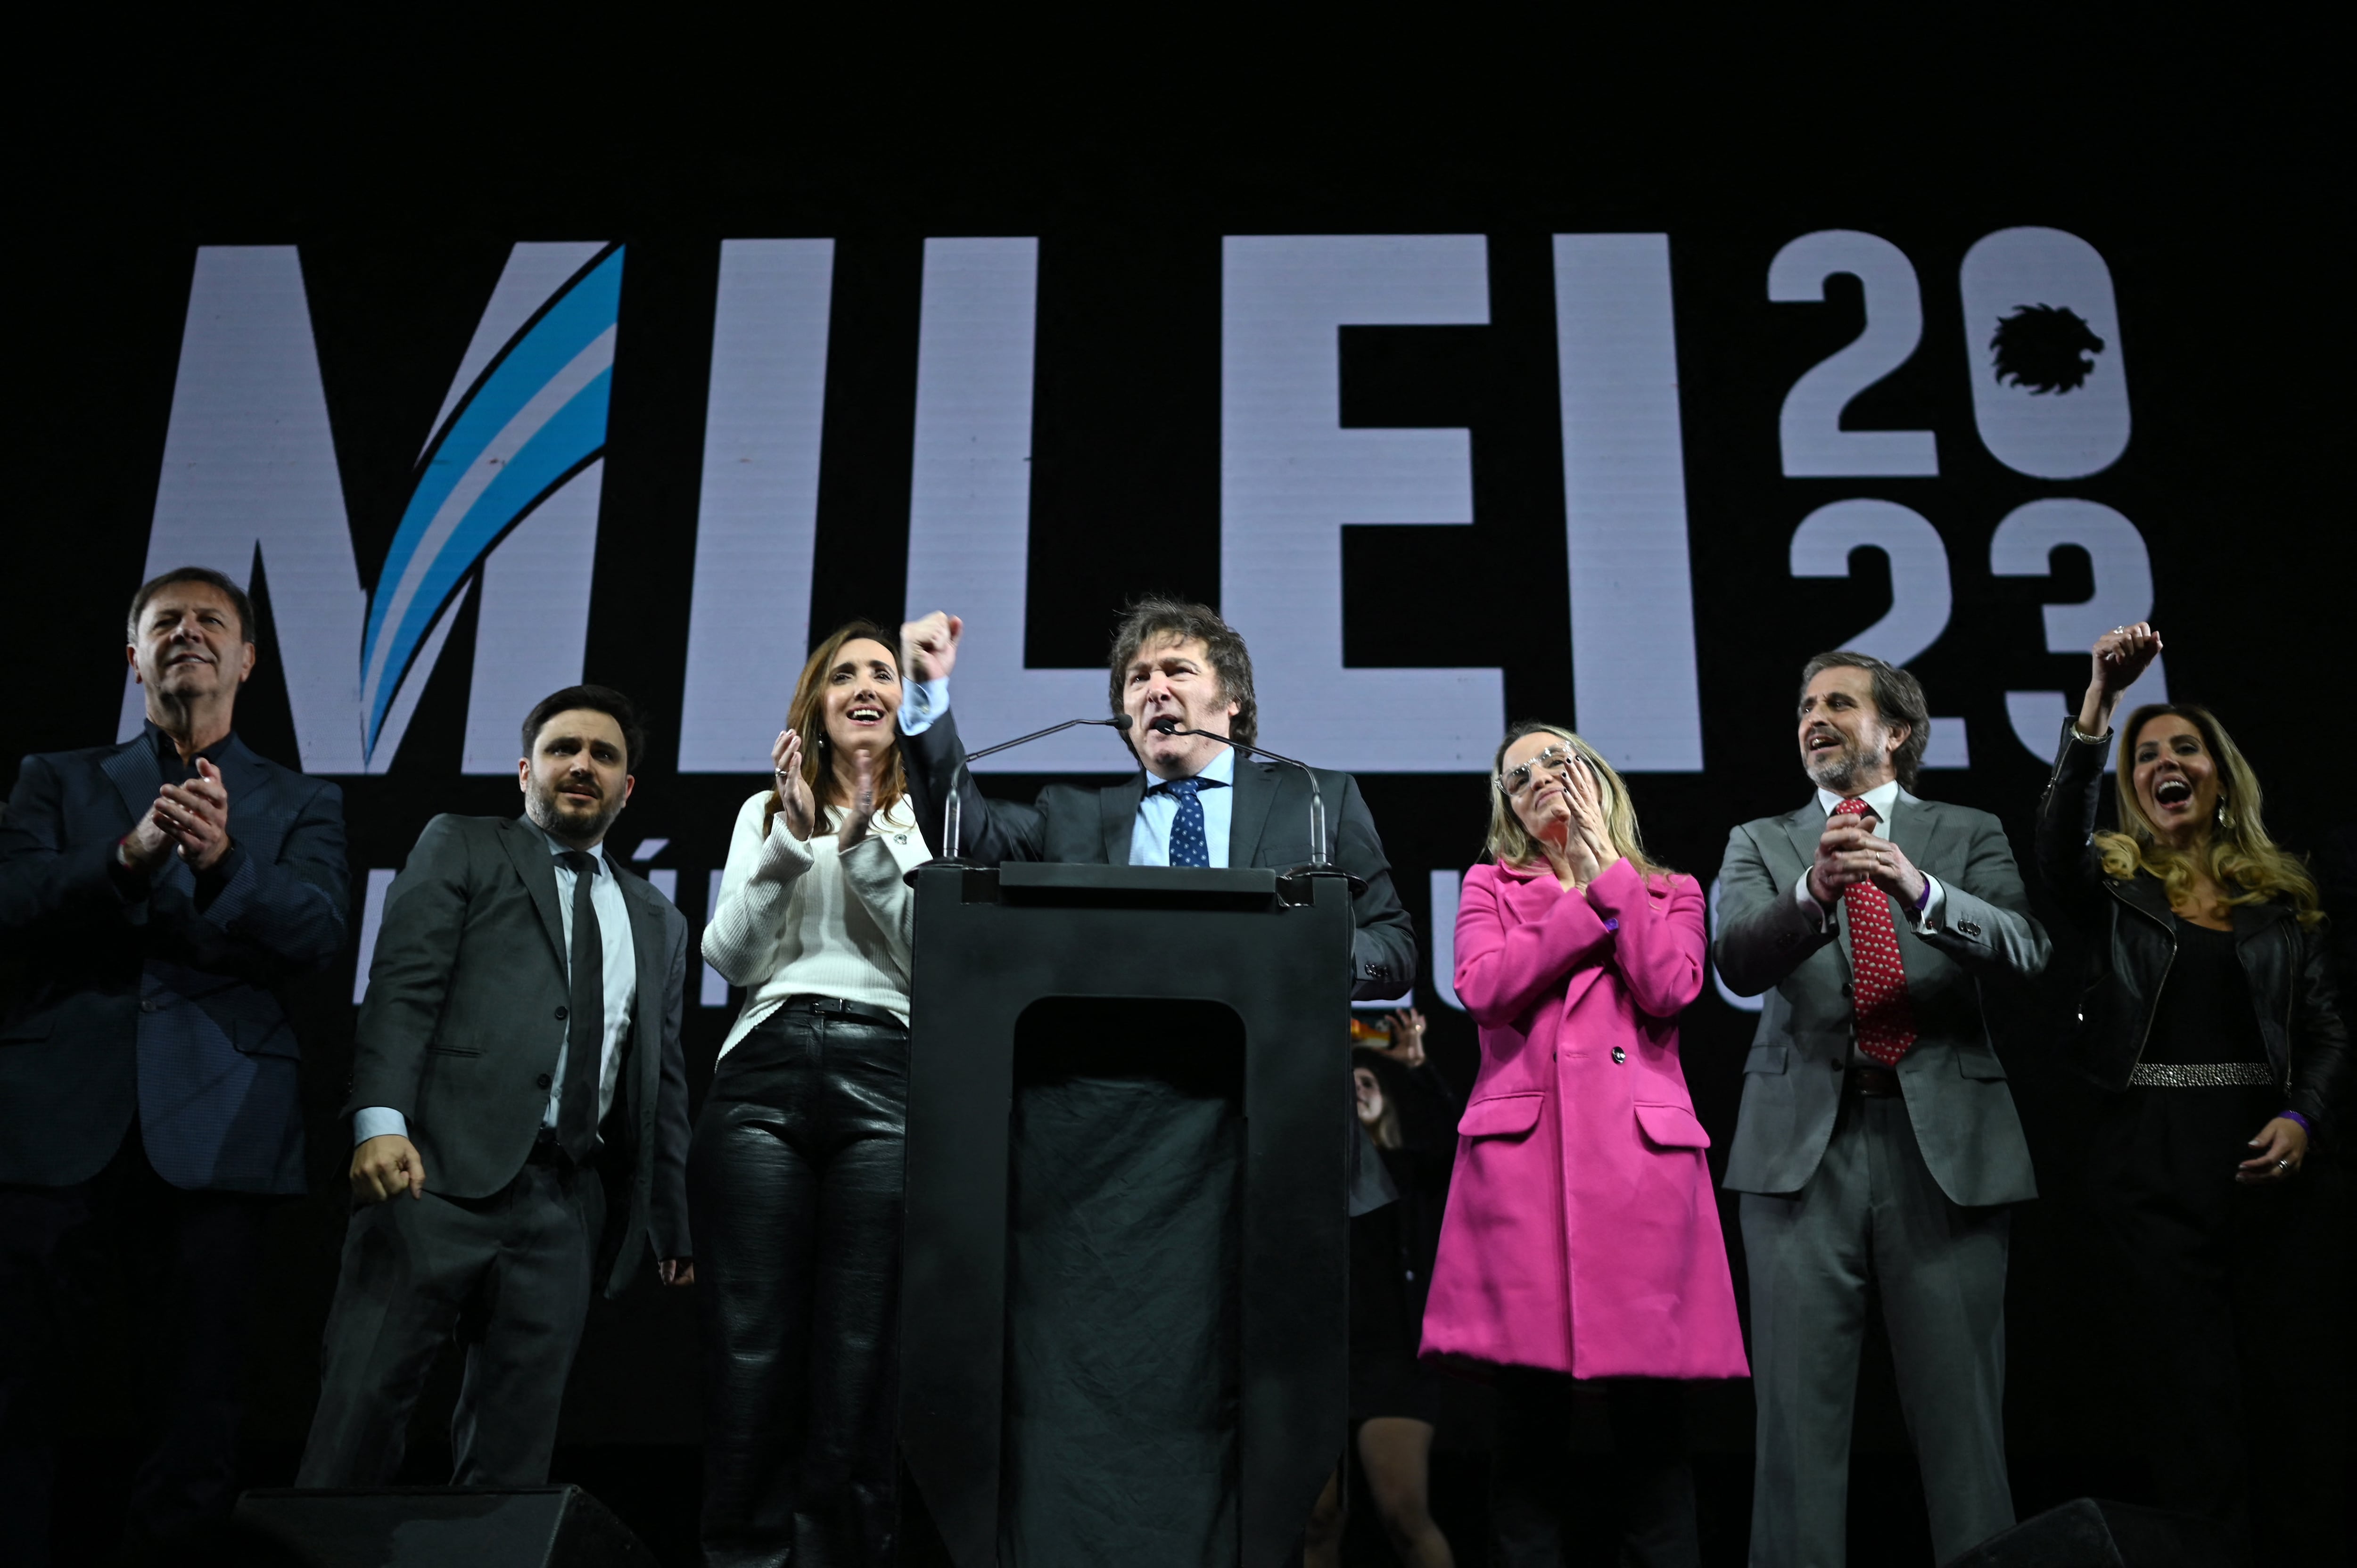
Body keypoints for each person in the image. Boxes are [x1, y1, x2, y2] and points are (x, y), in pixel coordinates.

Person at [895, 599, 1415, 1568]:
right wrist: (927, 699)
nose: (1154, 689)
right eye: (1137, 679)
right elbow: (963, 835)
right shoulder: (1073, 815)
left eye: (1175, 669)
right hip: (1090, 1158)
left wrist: (1299, 953)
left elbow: (1393, 952)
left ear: (1233, 698)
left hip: (1254, 1145)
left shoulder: (1312, 801)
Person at [0, 566, 349, 1560]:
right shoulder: (55, 779)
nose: (187, 633)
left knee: (197, 1403)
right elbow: (10, 898)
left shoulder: (299, 798)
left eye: (211, 621)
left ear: (247, 657)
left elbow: (320, 930)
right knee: (18, 1390)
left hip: (216, 1128)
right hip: (55, 1124)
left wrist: (224, 862)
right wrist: (127, 855)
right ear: (133, 656)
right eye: (166, 622)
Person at [297, 685, 692, 1487]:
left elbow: (663, 1078)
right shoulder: (463, 845)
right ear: (524, 771)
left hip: (564, 1205)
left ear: (627, 788)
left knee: (513, 1455)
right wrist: (379, 1121)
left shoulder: (659, 917)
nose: (582, 764)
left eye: (603, 755)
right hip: (430, 1177)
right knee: (360, 1413)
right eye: (563, 749)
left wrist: (670, 1216)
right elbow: (403, 989)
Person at [1714, 652, 2049, 1568]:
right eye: (1805, 704)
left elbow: (2025, 950)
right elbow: (1735, 961)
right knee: (1792, 1432)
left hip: (1946, 1149)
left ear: (1895, 732)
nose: (1813, 717)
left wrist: (1919, 888)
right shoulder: (1761, 840)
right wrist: (1812, 891)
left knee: (1964, 1431)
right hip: (1799, 1155)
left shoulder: (1965, 831)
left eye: (1838, 702)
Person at [2034, 624, 2349, 1559]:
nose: (2163, 762)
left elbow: (2327, 1028)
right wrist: (2099, 705)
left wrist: (2303, 1115)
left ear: (2218, 774)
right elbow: (2057, 840)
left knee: (2290, 1398)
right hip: (2151, 1163)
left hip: (2270, 1169)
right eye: (2146, 754)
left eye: (2184, 748)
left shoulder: (2281, 899)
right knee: (2190, 1405)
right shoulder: (2117, 887)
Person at [1421, 724, 1744, 1567]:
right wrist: (1583, 903)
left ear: (1595, 777)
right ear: (1509, 808)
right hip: (1526, 1181)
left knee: (1653, 1442)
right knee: (1527, 1441)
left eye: (1552, 760)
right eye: (1516, 775)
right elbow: (1483, 988)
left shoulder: (1671, 889)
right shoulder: (1490, 885)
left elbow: (1669, 985)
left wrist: (1610, 877)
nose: (1536, 778)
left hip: (1639, 1181)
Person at [693, 622, 930, 1565]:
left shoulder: (925, 818)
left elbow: (936, 962)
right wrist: (792, 842)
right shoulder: (765, 810)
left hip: (887, 1073)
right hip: (764, 1073)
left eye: (883, 671)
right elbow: (730, 955)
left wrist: (867, 841)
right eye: (845, 673)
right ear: (817, 706)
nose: (867, 682)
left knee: (861, 1354)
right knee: (752, 1348)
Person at [1304, 1013, 1460, 1568]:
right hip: (1315, 1362)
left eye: (1368, 1084)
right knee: (1317, 1519)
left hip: (1394, 1361)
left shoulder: (1411, 1170)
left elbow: (1450, 1139)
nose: (1357, 1090)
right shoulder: (1308, 1175)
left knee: (1403, 1514)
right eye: (1346, 1086)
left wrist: (1416, 1068)